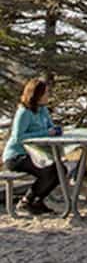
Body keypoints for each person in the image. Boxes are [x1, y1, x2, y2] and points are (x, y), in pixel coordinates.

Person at [2, 78, 62, 214]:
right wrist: (46, 132)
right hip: (16, 156)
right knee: (48, 170)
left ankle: (37, 201)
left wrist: (55, 130)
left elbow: (50, 127)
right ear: (36, 94)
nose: (48, 96)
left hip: (35, 154)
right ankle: (26, 201)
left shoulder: (43, 110)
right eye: (45, 93)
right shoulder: (24, 112)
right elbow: (19, 137)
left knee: (60, 170)